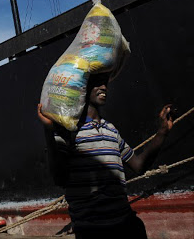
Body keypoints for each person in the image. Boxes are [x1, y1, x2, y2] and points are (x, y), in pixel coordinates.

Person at [37, 73, 173, 239]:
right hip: (92, 229)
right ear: (81, 90)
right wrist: (48, 131)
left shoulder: (111, 130)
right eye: (97, 84)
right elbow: (59, 178)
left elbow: (138, 165)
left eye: (105, 84)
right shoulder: (68, 131)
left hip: (124, 224)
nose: (104, 88)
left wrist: (162, 133)